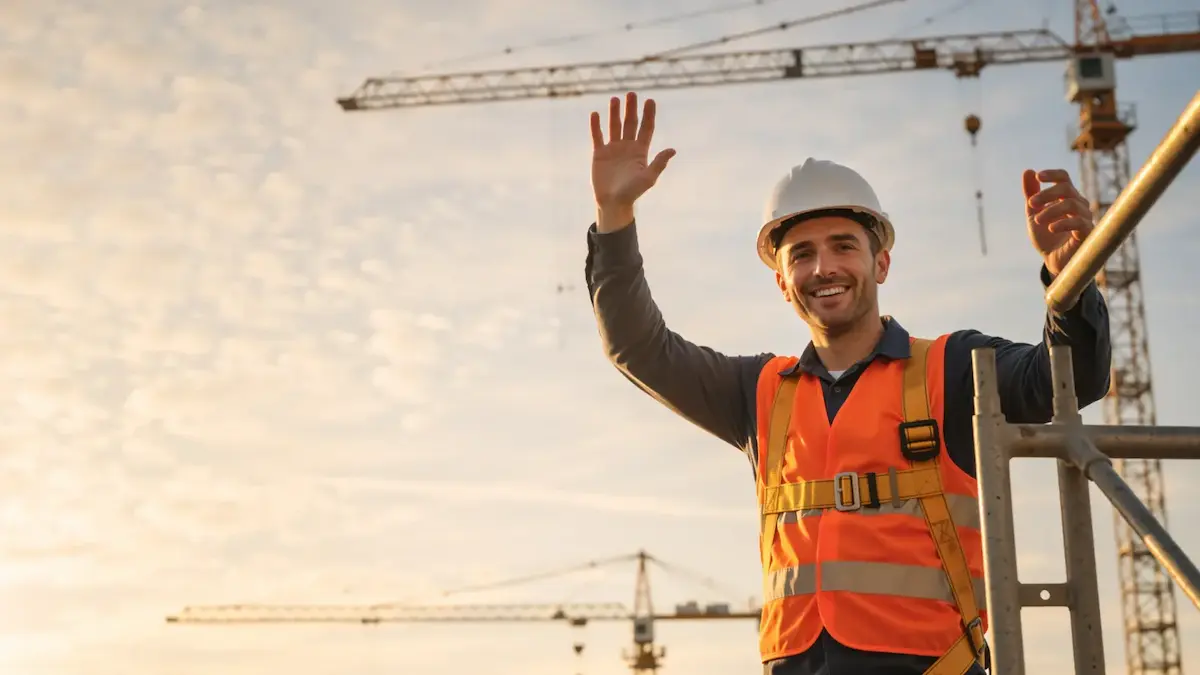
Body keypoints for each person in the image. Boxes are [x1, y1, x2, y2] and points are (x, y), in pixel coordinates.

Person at [583, 92, 1112, 675]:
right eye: (802, 255)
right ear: (784, 283)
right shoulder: (760, 392)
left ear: (880, 263)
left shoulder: (954, 368)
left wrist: (1071, 279)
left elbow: (1072, 378)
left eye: (843, 246)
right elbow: (639, 349)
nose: (823, 269)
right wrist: (614, 218)